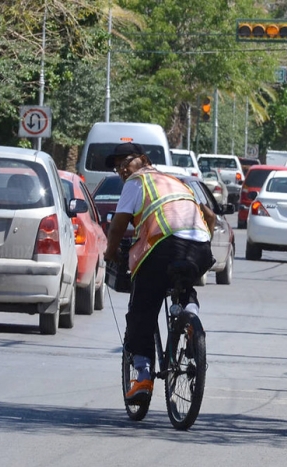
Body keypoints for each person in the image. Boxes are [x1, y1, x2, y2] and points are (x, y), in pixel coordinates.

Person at [103, 142, 217, 402]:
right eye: (118, 167)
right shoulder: (177, 182)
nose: (121, 170)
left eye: (125, 163)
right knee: (185, 289)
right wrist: (202, 242)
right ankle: (191, 322)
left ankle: (142, 375)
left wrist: (111, 253)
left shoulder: (136, 182)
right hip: (199, 247)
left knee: (142, 309)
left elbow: (119, 225)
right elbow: (209, 216)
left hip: (164, 247)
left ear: (142, 160)